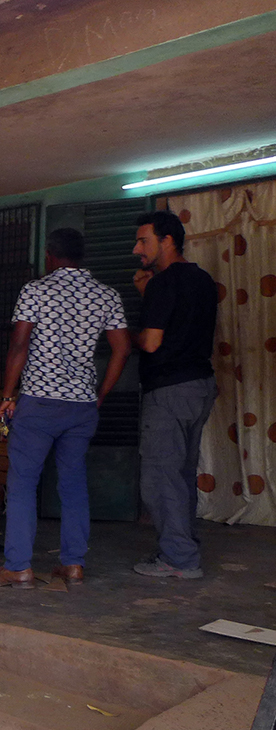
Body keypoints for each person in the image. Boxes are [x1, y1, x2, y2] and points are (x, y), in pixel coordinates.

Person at [0, 228, 130, 588]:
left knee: (23, 484)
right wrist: (100, 394)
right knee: (73, 484)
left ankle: (18, 566)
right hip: (81, 406)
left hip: (40, 404)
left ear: (50, 254)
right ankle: (73, 564)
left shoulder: (36, 290)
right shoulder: (107, 295)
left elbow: (19, 345)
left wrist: (7, 395)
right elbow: (122, 349)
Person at [130, 210, 219, 579]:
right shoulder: (203, 279)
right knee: (181, 474)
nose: (137, 250)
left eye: (143, 241)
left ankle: (179, 560)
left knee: (160, 477)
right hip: (200, 386)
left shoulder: (162, 283)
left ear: (167, 240)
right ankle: (184, 546)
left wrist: (126, 333)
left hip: (168, 389)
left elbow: (151, 342)